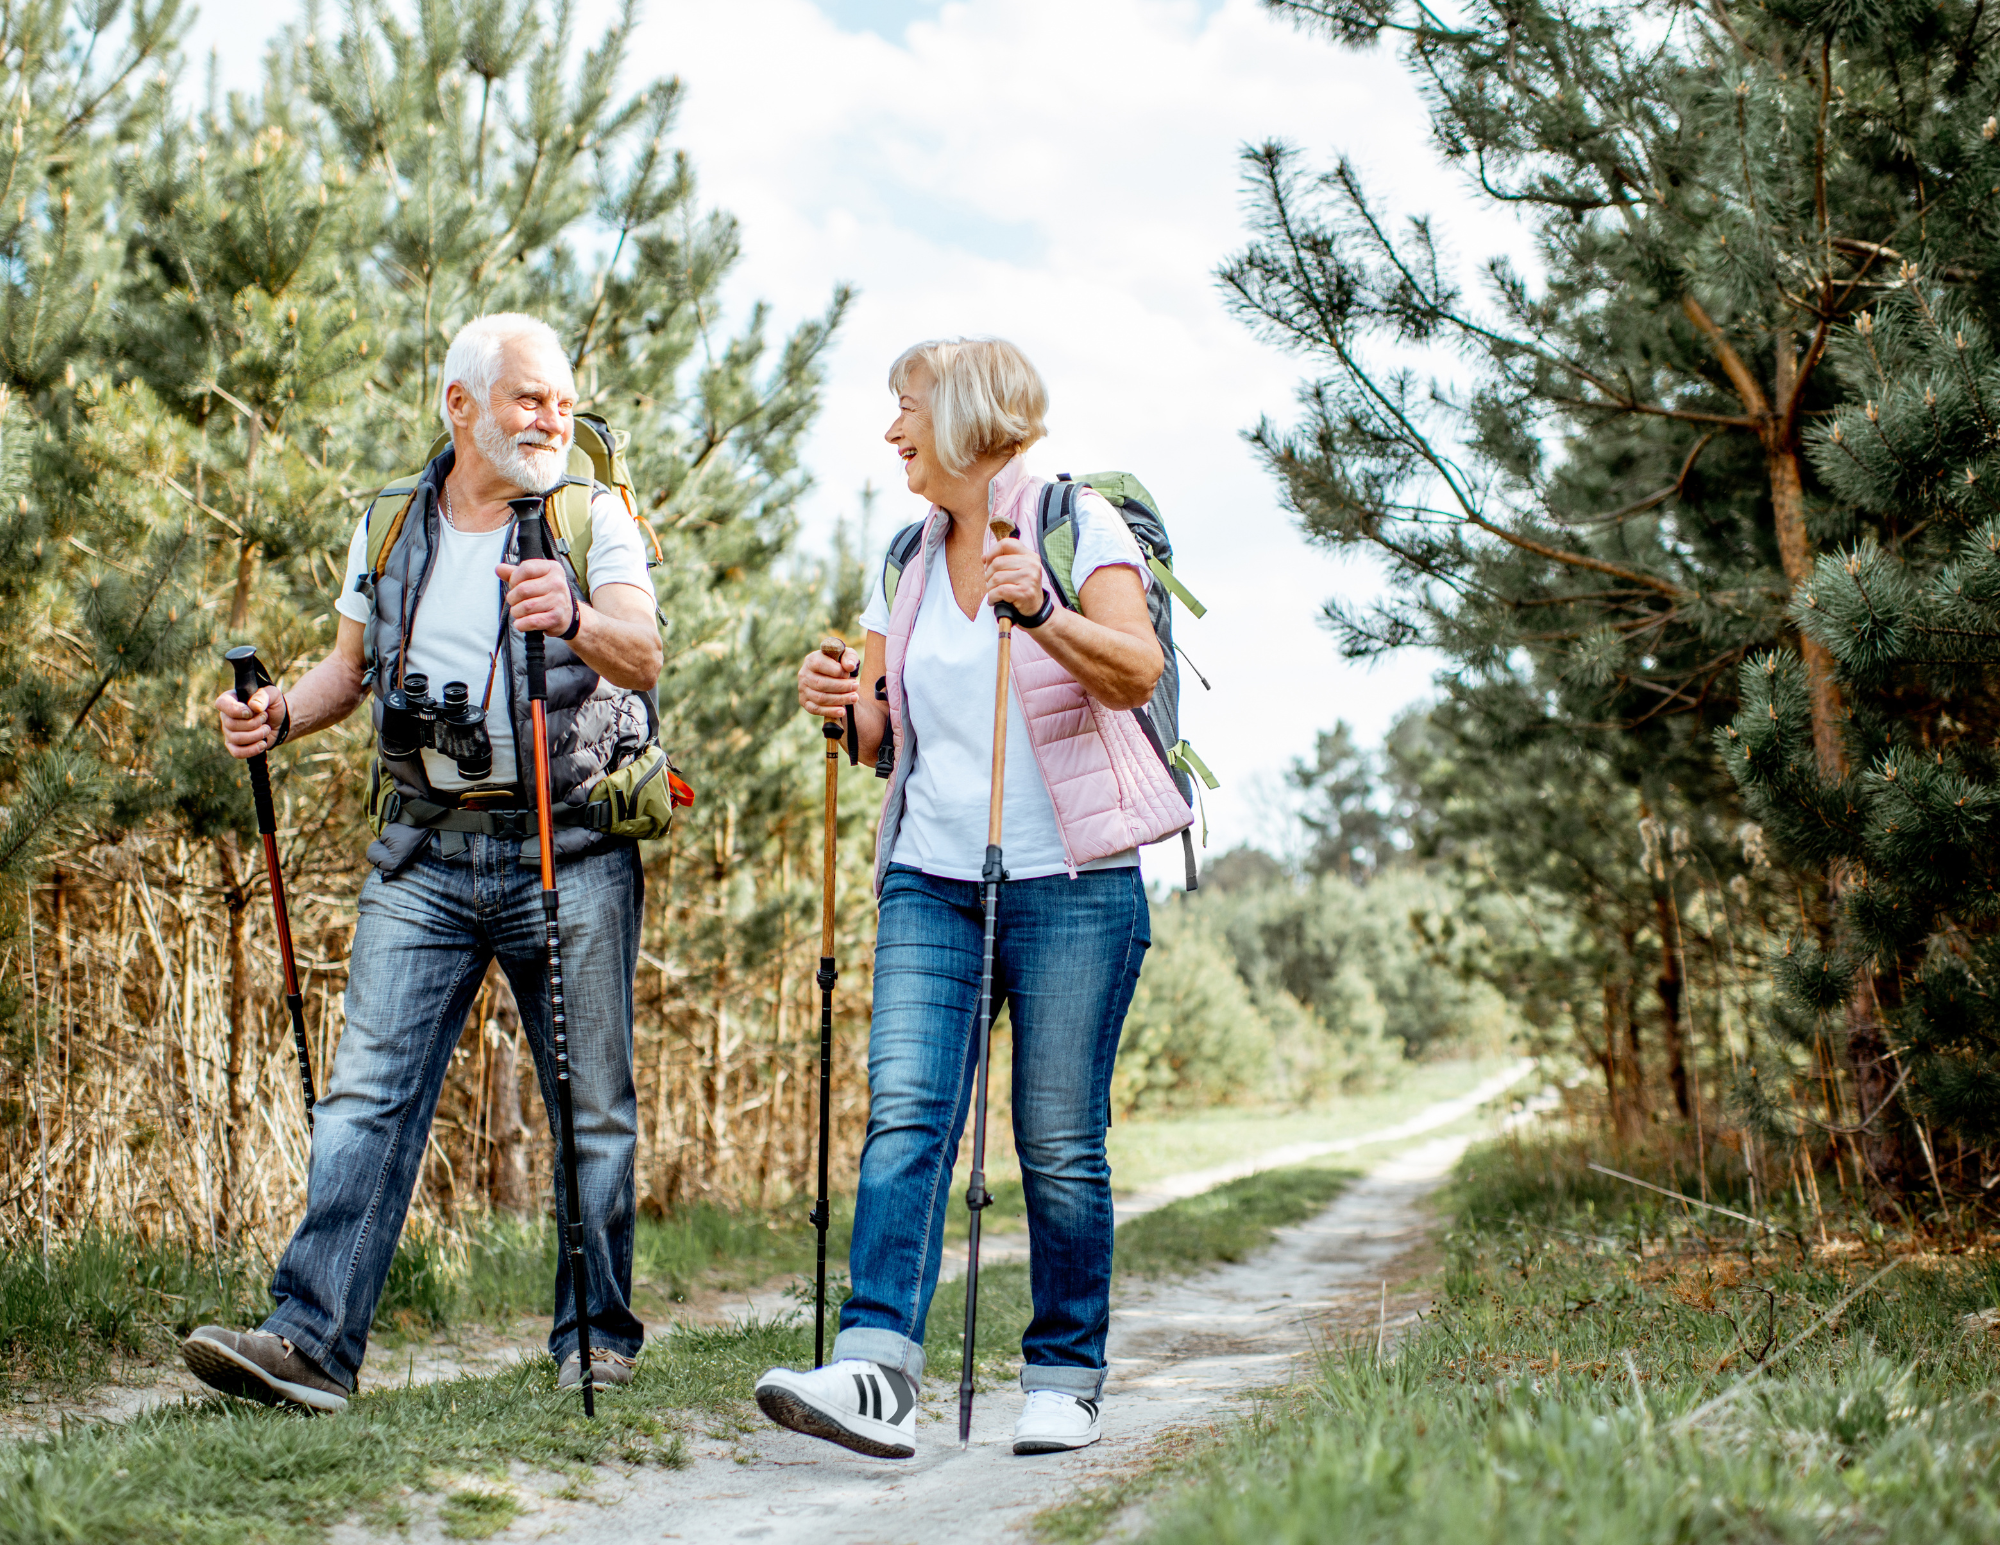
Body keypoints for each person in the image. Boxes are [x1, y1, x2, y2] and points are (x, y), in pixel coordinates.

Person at [183, 313, 664, 1412]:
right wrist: (275, 716)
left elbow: (642, 652)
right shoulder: (392, 523)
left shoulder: (593, 518)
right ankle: (309, 1344)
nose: (553, 420)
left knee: (589, 1103)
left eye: (560, 400)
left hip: (570, 845)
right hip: (424, 853)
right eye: (528, 399)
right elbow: (346, 674)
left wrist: (577, 616)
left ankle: (595, 1336)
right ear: (461, 407)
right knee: (364, 1098)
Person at [755, 337, 1189, 1458]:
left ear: (960, 417)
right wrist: (837, 702)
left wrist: (1040, 610)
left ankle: (1062, 1374)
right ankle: (873, 1373)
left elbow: (1131, 671)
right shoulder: (901, 555)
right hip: (930, 877)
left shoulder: (1072, 521)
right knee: (907, 1118)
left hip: (1076, 885)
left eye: (904, 410)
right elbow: (878, 737)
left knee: (1055, 1139)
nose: (892, 432)